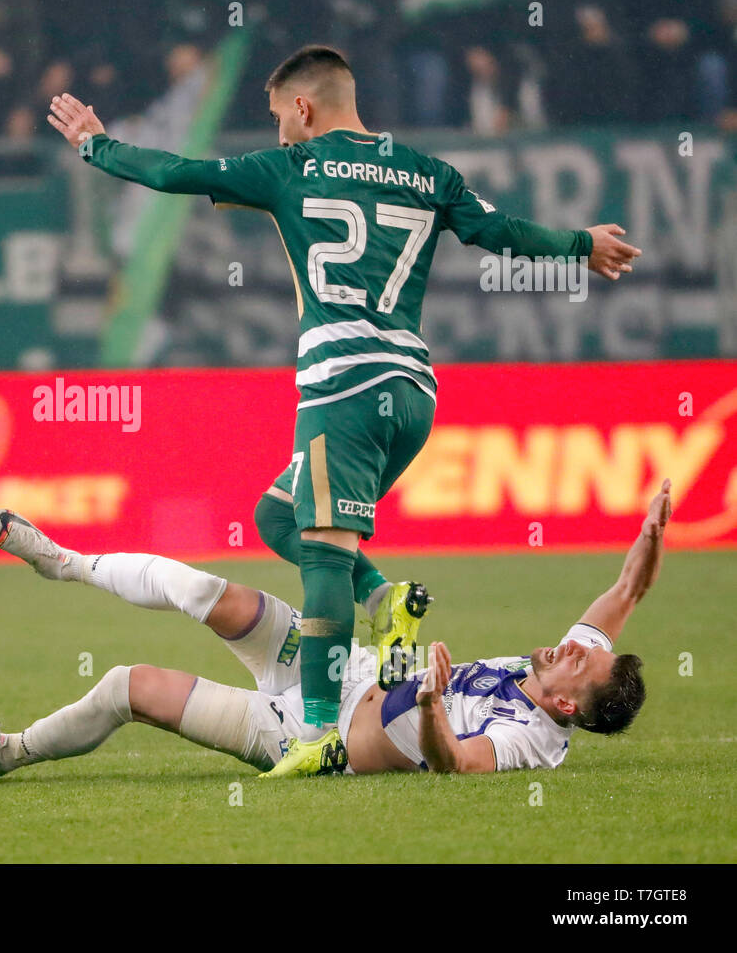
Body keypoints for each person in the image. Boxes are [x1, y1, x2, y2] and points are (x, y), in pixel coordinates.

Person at [46, 45, 642, 775]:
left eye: (277, 118)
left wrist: (96, 144)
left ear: (303, 107)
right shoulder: (427, 171)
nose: (277, 135)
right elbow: (499, 232)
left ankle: (318, 733)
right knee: (278, 517)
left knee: (323, 548)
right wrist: (582, 244)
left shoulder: (291, 168)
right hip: (414, 395)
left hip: (346, 386)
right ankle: (382, 595)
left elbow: (177, 172)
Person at [0, 481, 661, 777]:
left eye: (581, 662)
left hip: (307, 736)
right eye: (584, 646)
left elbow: (457, 764)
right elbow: (627, 589)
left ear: (568, 706)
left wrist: (429, 707)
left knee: (125, 686)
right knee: (200, 589)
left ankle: (6, 752)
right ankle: (67, 562)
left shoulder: (529, 737)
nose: (576, 644)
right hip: (336, 667)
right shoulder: (564, 669)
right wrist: (653, 530)